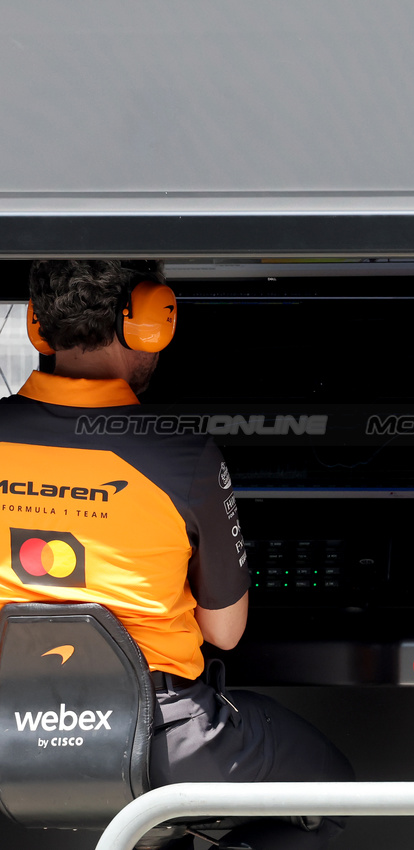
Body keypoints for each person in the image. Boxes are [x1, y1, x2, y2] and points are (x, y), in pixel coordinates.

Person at [1, 260, 353, 849]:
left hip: (8, 729)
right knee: (336, 792)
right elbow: (226, 632)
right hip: (160, 739)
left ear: (37, 325)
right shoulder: (183, 456)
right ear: (150, 319)